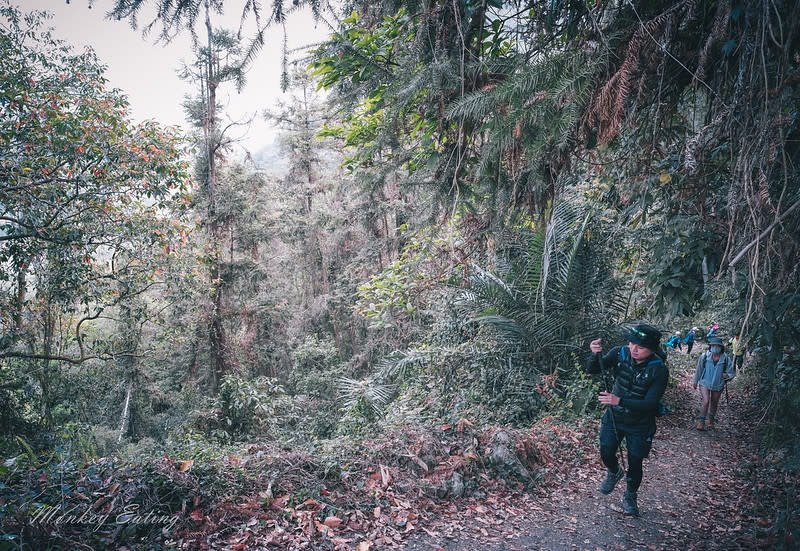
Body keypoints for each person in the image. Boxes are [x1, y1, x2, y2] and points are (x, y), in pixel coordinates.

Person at [586, 324, 669, 516]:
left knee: (635, 462)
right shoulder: (619, 354)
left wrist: (619, 400)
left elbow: (650, 404)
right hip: (614, 417)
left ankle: (631, 495)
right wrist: (594, 353)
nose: (634, 349)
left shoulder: (659, 371)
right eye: (632, 343)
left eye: (640, 346)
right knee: (606, 451)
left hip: (640, 424)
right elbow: (594, 369)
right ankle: (614, 471)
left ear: (652, 349)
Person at [693, 336, 735, 430]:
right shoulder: (704, 356)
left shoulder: (725, 359)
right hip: (705, 382)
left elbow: (731, 372)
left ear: (720, 347)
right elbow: (699, 369)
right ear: (710, 346)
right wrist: (695, 381)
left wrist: (727, 376)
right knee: (706, 401)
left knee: (714, 402)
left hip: (718, 384)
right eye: (713, 345)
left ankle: (711, 421)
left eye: (717, 345)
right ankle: (701, 421)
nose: (715, 347)